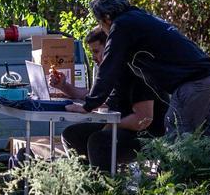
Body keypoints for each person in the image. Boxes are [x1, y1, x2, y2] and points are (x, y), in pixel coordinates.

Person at [70, 0, 210, 138]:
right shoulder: (139, 16)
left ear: (106, 17)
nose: (101, 27)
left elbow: (109, 68)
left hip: (192, 85)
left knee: (177, 139)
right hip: (204, 78)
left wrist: (88, 106)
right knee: (203, 141)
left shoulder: (122, 25)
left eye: (100, 22)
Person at [50, 26, 168, 169]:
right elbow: (96, 97)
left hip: (146, 136)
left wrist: (111, 126)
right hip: (123, 125)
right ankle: (85, 181)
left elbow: (143, 119)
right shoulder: (114, 70)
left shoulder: (136, 71)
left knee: (98, 140)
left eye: (96, 51)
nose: (93, 57)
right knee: (72, 134)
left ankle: (106, 187)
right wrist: (64, 86)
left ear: (110, 48)